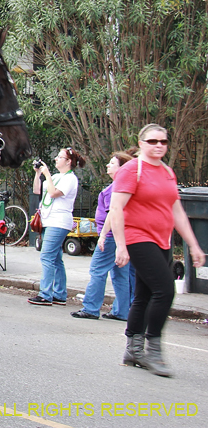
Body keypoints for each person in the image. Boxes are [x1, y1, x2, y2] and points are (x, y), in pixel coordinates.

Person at [110, 124, 206, 377]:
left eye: (163, 142)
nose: (158, 146)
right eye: (152, 141)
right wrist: (121, 245)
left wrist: (194, 245)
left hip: (162, 241)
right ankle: (153, 349)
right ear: (141, 143)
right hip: (138, 238)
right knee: (164, 290)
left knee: (143, 295)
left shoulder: (167, 172)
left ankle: (132, 349)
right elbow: (116, 208)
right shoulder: (132, 170)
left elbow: (176, 211)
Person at [71, 151, 135, 320]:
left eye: (112, 163)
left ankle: (91, 308)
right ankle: (122, 311)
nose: (108, 165)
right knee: (120, 275)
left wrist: (103, 235)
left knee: (97, 270)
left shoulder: (116, 189)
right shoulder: (124, 187)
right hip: (122, 235)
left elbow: (112, 214)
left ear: (122, 168)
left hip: (112, 236)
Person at [28, 147, 86, 306]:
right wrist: (38, 174)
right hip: (48, 219)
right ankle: (59, 293)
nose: (56, 159)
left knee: (46, 256)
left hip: (58, 221)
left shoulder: (70, 179)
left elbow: (53, 193)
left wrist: (47, 175)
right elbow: (37, 190)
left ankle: (45, 294)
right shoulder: (55, 176)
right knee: (56, 258)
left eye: (60, 157)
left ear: (68, 162)